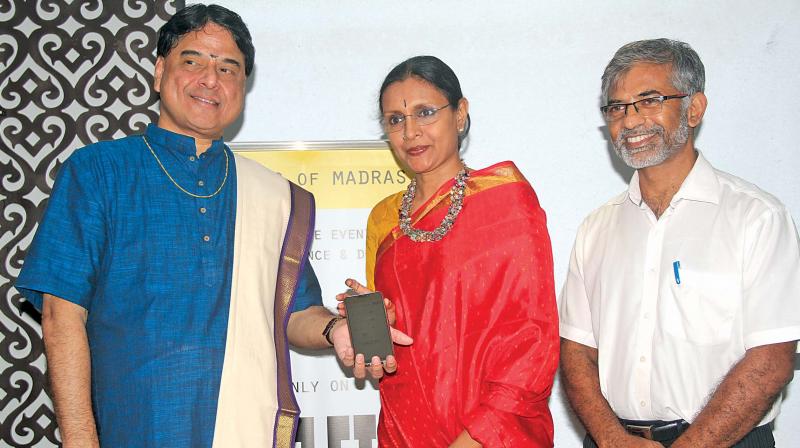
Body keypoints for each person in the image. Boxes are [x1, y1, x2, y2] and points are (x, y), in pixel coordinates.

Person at [15, 4, 349, 447]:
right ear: (158, 72)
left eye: (229, 69)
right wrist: (80, 440)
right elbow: (61, 314)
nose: (211, 79)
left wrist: (335, 330)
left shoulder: (272, 197)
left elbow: (296, 313)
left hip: (244, 430)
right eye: (193, 61)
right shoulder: (98, 172)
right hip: (132, 430)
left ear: (243, 89)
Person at [559, 38, 800, 448]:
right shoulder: (595, 229)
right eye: (616, 107)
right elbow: (576, 354)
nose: (631, 120)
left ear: (696, 107)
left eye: (650, 100)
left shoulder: (757, 217)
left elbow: (772, 361)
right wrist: (611, 439)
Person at [339, 55, 559, 447]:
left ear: (460, 114)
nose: (410, 132)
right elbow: (396, 347)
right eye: (395, 120)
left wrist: (478, 435)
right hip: (407, 427)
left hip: (494, 432)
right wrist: (372, 325)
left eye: (425, 113)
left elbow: (533, 337)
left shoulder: (506, 201)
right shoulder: (383, 219)